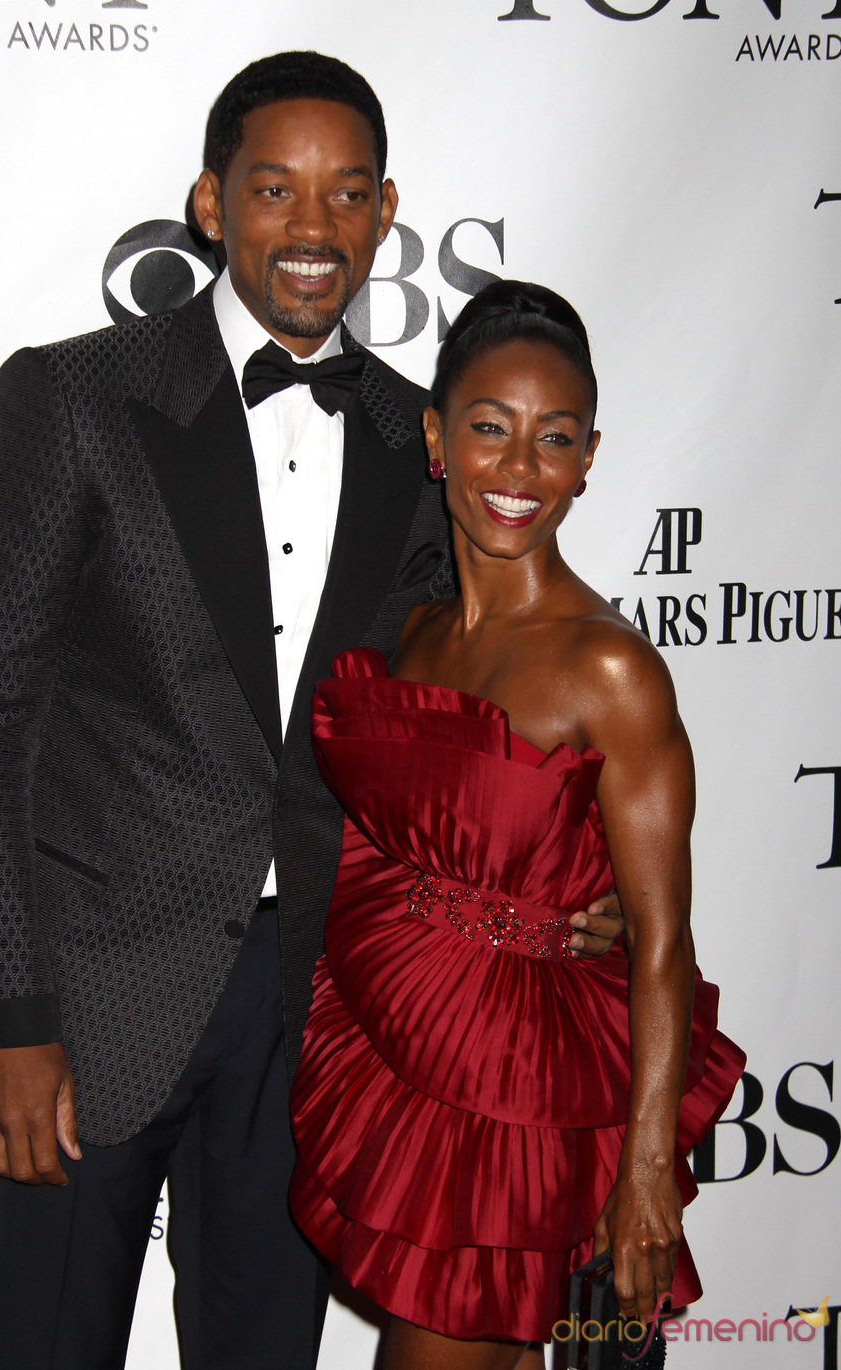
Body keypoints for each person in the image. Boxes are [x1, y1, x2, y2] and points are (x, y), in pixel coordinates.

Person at [0, 53, 624, 1370]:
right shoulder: (72, 398)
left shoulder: (424, 443)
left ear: (385, 210)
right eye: (277, 189)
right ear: (210, 201)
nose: (313, 229)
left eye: (346, 193)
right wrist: (0, 1016)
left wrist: (583, 880)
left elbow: (471, 705)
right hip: (85, 1001)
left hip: (312, 1020)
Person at [289, 280, 747, 1370]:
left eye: (554, 440)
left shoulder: (607, 666)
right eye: (490, 429)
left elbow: (662, 941)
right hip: (405, 1057)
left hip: (524, 1097)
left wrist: (642, 1176)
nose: (518, 470)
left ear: (588, 457)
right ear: (437, 438)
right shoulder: (411, 635)